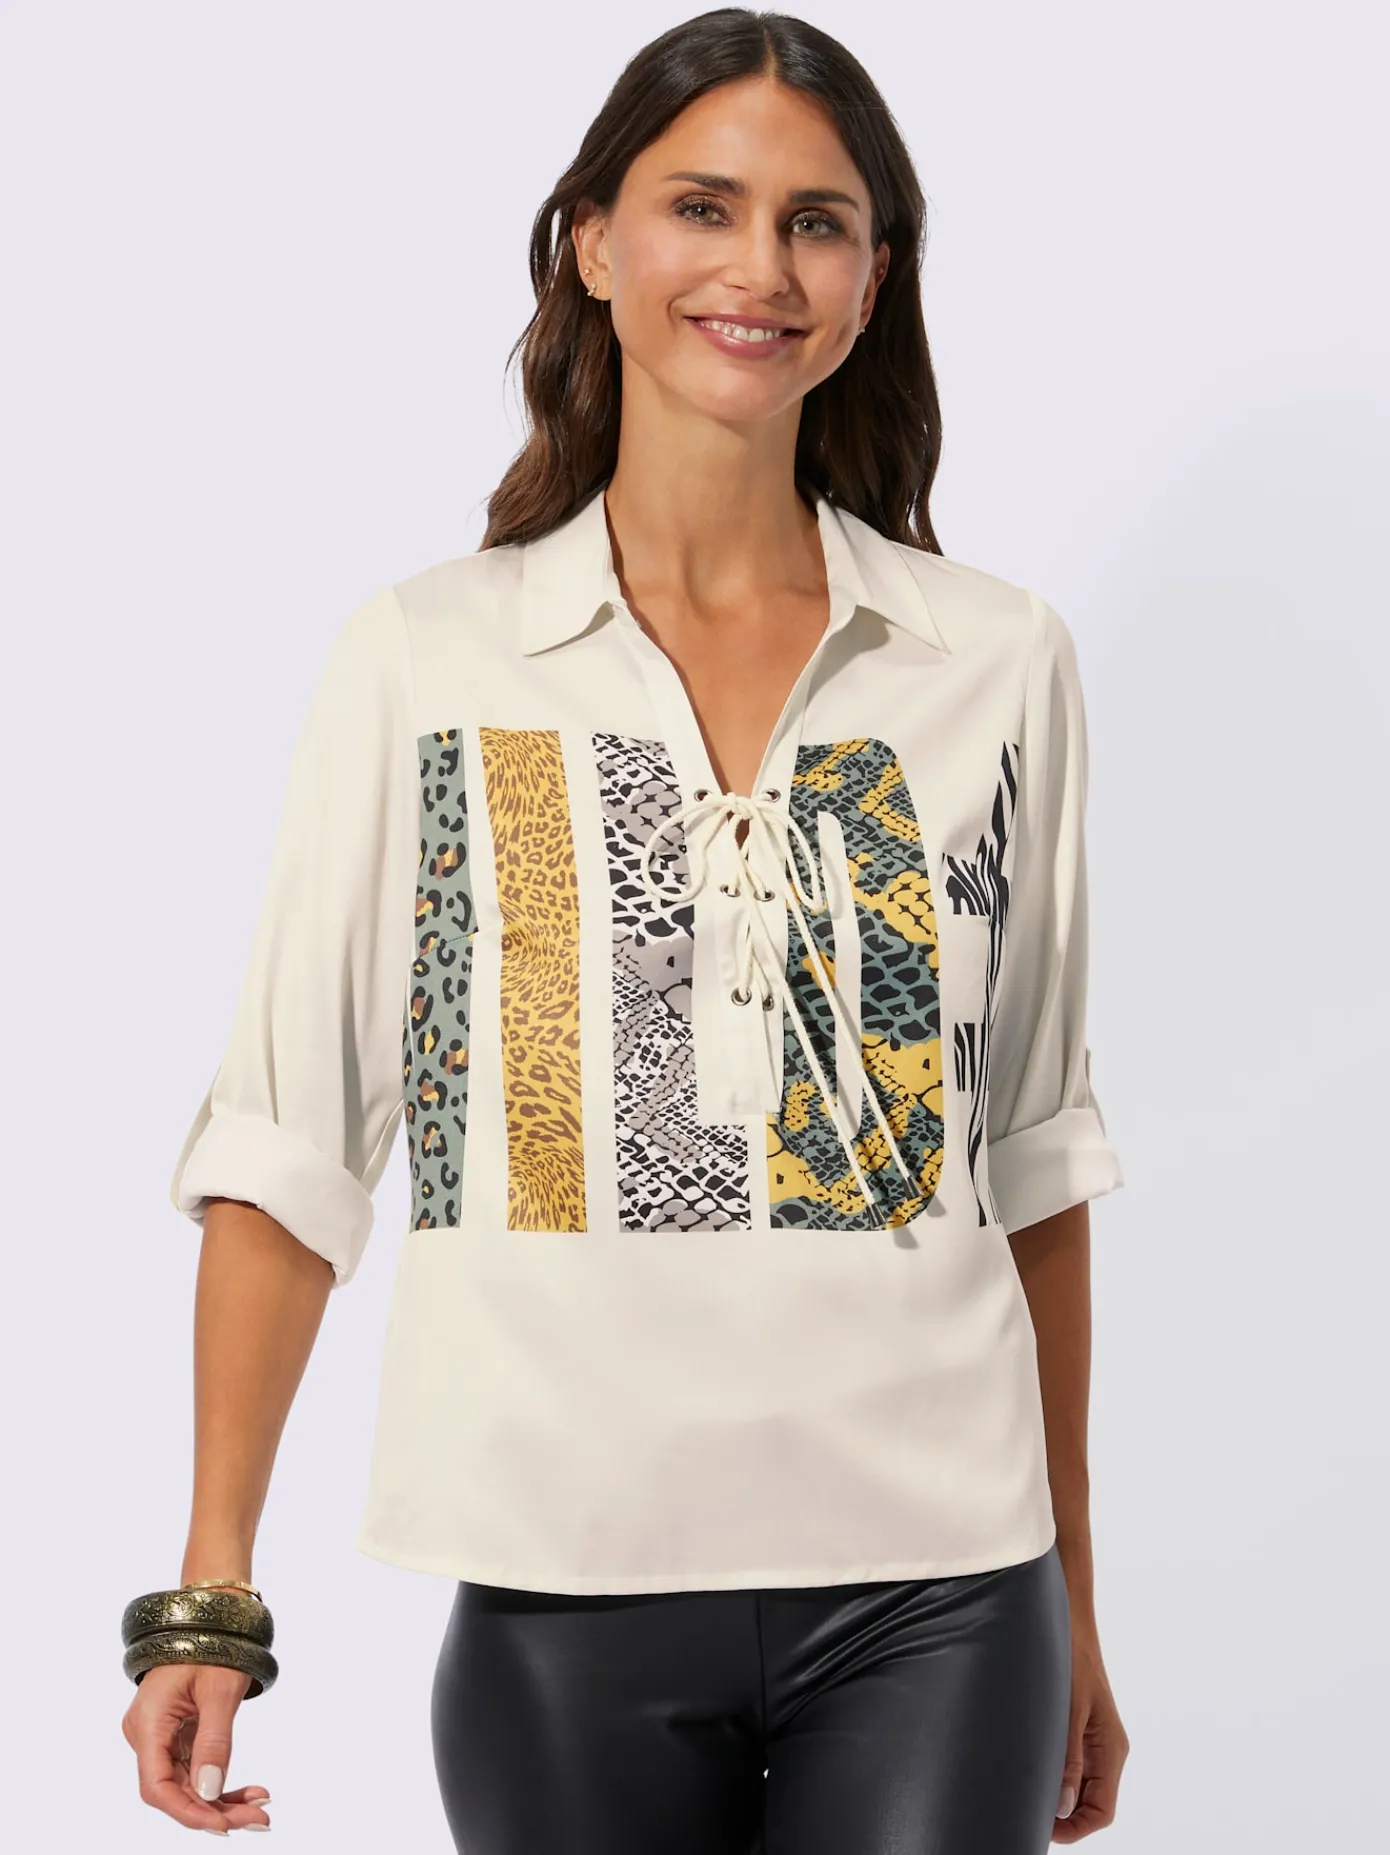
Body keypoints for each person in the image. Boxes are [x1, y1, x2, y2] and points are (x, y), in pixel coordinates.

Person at [121, 9, 1132, 1849]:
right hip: (558, 1582)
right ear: (593, 242)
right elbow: (286, 1147)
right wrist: (211, 1590)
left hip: (942, 1584)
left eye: (817, 222)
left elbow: (1032, 1161)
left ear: (873, 277)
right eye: (702, 207)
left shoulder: (991, 661)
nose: (761, 268)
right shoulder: (431, 658)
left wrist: (1072, 1590)